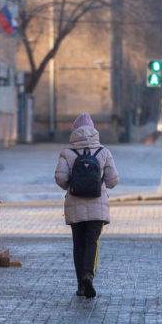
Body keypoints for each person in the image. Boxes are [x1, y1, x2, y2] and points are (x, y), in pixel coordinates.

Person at [55, 113, 119, 298]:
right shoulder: (104, 152)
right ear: (94, 132)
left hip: (75, 204)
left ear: (74, 131)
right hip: (97, 206)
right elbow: (113, 181)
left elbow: (60, 177)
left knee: (78, 243)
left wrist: (72, 186)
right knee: (93, 242)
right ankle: (88, 275)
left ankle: (80, 285)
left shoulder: (67, 153)